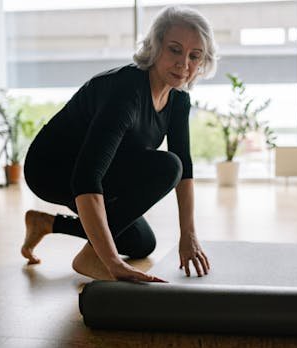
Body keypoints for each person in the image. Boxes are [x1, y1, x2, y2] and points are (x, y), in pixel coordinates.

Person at [21, 6, 217, 282]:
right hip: (52, 166)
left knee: (141, 243)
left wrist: (189, 235)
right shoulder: (126, 91)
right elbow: (87, 177)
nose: (183, 63)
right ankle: (89, 258)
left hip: (99, 168)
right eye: (175, 50)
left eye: (194, 56)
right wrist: (111, 262)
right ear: (156, 46)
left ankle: (46, 223)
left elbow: (185, 169)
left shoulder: (178, 99)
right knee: (166, 167)